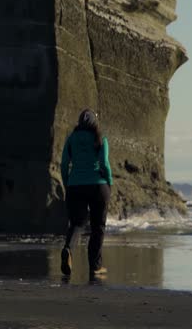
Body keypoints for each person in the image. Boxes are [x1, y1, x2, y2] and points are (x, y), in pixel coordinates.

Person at [59, 109, 113, 279]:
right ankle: (95, 267)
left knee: (77, 223)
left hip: (76, 186)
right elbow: (104, 164)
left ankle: (68, 249)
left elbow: (64, 164)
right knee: (98, 227)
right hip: (98, 186)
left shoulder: (71, 139)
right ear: (95, 123)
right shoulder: (100, 138)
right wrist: (109, 182)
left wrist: (68, 182)